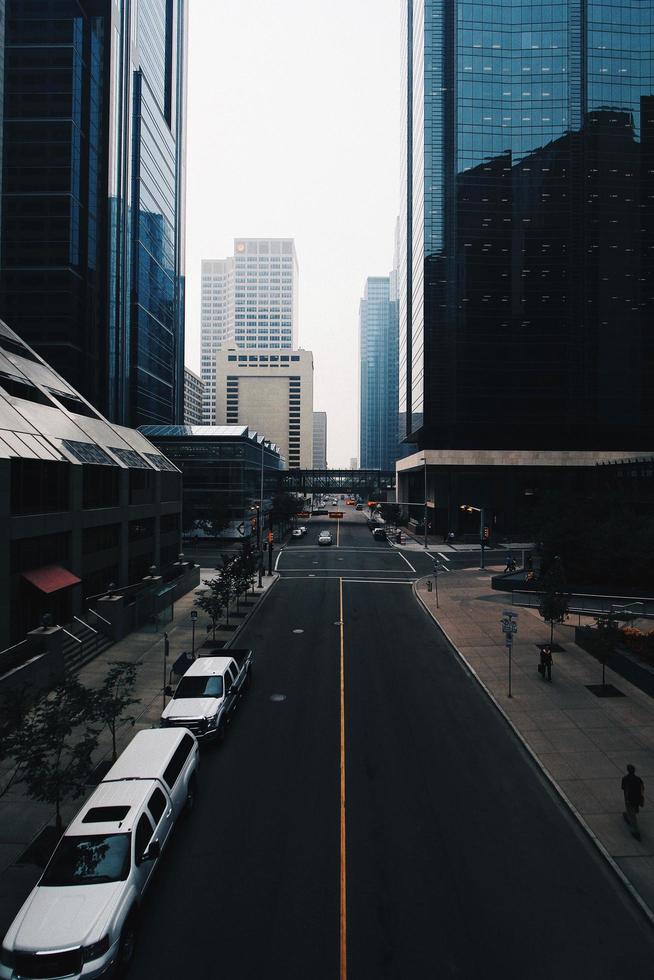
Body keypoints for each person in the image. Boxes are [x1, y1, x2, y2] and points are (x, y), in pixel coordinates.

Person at [622, 764, 645, 840]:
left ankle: (635, 831)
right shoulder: (638, 779)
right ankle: (629, 816)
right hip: (637, 799)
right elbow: (642, 788)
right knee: (633, 810)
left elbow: (624, 789)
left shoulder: (625, 779)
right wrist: (641, 797)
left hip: (630, 799)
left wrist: (627, 798)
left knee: (632, 814)